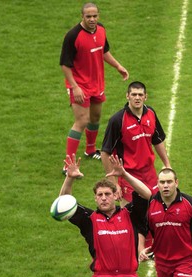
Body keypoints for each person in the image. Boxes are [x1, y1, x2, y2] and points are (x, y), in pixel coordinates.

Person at [59, 154, 151, 277]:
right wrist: (70, 177)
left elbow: (147, 194)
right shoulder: (89, 220)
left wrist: (124, 174)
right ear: (95, 198)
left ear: (116, 194)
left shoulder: (130, 215)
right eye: (99, 195)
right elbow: (63, 204)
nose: (103, 198)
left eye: (107, 194)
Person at [60, 2, 129, 173]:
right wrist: (75, 87)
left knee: (95, 116)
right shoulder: (72, 36)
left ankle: (90, 150)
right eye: (88, 16)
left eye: (95, 16)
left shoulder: (101, 29)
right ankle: (69, 164)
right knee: (82, 121)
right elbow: (64, 65)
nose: (92, 19)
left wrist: (118, 66)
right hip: (80, 85)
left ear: (99, 16)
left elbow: (103, 51)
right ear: (81, 16)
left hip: (97, 83)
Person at [101, 81, 171, 207]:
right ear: (127, 96)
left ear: (145, 96)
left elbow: (158, 140)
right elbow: (105, 153)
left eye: (140, 94)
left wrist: (167, 164)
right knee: (131, 217)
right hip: (128, 176)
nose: (137, 98)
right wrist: (114, 184)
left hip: (150, 173)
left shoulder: (151, 113)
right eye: (134, 94)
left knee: (156, 210)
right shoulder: (117, 120)